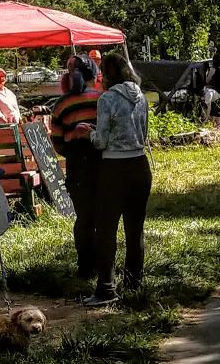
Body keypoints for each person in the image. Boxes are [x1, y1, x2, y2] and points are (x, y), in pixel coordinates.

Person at [75, 52, 151, 306]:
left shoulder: (107, 99)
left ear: (106, 75)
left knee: (106, 229)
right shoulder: (140, 95)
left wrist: (89, 133)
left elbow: (102, 141)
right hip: (140, 164)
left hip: (115, 167)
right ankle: (134, 282)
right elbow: (143, 132)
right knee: (135, 228)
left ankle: (106, 287)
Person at [51, 54, 102, 278]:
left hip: (76, 164)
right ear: (95, 74)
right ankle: (104, 264)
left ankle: (84, 266)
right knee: (103, 216)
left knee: (83, 217)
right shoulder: (102, 99)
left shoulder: (61, 104)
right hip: (101, 161)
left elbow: (57, 142)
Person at [203, 51, 220, 122]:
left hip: (217, 93)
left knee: (217, 113)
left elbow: (207, 80)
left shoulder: (214, 70)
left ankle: (217, 127)